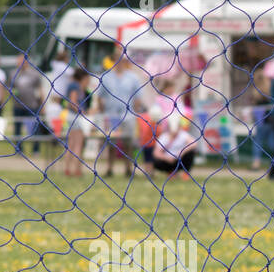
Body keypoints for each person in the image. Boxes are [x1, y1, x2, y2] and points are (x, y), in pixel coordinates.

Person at [96, 46, 147, 179]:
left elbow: (138, 97)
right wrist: (102, 110)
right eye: (117, 59)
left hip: (128, 115)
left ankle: (128, 169)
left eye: (122, 59)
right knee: (111, 142)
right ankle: (110, 168)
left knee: (128, 143)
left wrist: (135, 111)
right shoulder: (106, 77)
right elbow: (100, 96)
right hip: (111, 114)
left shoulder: (132, 77)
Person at [152, 105, 199, 180]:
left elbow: (194, 144)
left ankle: (185, 173)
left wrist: (180, 153)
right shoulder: (164, 137)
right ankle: (170, 172)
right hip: (168, 161)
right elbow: (156, 153)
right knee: (156, 161)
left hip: (180, 159)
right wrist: (167, 158)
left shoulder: (183, 134)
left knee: (191, 153)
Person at [9, 54, 43, 155]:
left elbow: (40, 89)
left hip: (31, 106)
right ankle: (19, 150)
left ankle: (36, 150)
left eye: (22, 61)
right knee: (17, 129)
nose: (20, 63)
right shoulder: (13, 73)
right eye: (18, 61)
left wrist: (42, 104)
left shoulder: (34, 74)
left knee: (34, 128)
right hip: (17, 106)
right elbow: (10, 88)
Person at [62, 67, 91, 177]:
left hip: (72, 117)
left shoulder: (75, 85)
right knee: (77, 145)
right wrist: (82, 111)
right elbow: (72, 102)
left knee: (71, 145)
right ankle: (76, 170)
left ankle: (68, 169)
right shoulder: (74, 85)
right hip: (74, 117)